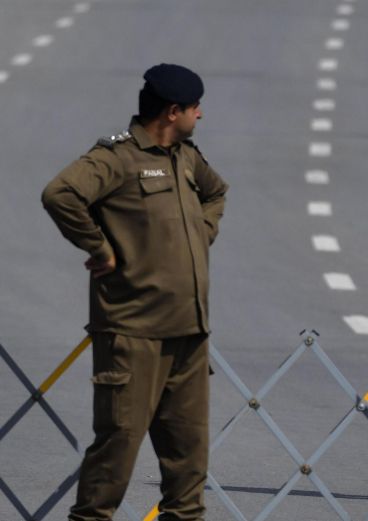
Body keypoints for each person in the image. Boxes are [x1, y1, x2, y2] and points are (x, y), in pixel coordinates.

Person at [41, 63, 228, 521]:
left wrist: (201, 231)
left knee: (188, 463)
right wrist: (100, 248)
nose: (201, 115)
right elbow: (60, 194)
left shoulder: (185, 157)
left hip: (189, 333)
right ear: (172, 112)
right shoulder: (117, 158)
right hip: (132, 332)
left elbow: (216, 193)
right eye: (195, 107)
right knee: (116, 453)